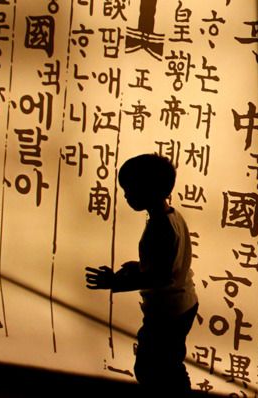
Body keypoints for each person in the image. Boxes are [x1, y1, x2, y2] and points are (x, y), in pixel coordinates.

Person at [85, 154, 198, 396]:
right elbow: (170, 264)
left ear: (149, 190)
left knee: (152, 369)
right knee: (168, 365)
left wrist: (114, 282)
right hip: (182, 303)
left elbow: (159, 278)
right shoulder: (171, 216)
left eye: (130, 189)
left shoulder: (161, 228)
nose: (126, 195)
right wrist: (141, 266)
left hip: (167, 311)